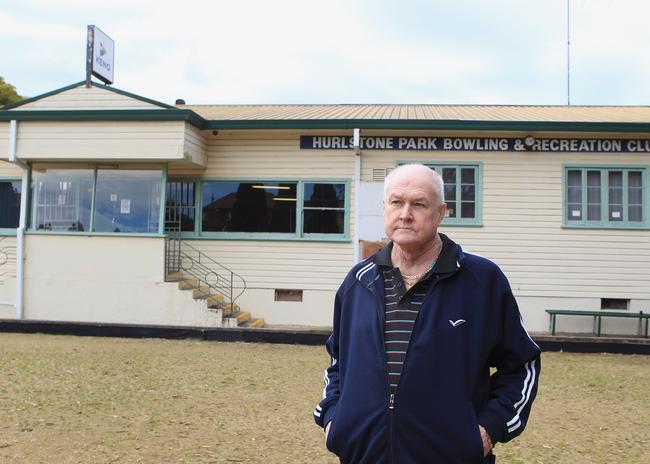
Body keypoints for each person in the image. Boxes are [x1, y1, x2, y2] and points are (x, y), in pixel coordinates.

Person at [313, 163, 540, 463]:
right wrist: (334, 421)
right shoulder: (359, 281)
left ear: (441, 212)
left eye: (418, 204)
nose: (405, 213)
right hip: (363, 455)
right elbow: (338, 361)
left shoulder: (482, 281)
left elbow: (521, 366)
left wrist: (485, 432)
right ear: (385, 207)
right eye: (396, 202)